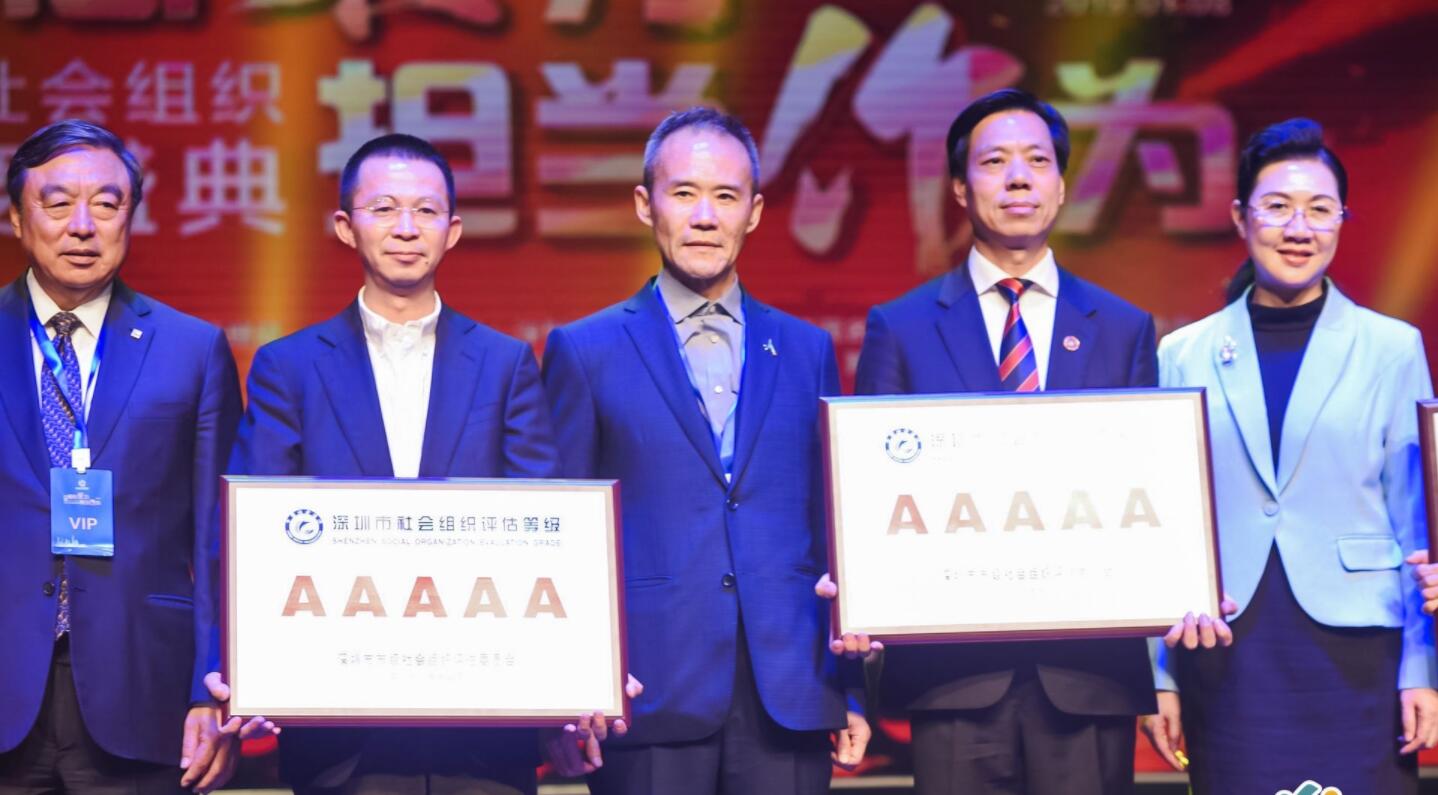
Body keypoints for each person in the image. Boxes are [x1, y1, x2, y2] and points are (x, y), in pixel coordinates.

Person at [231, 133, 632, 795]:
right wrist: (249, 666)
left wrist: (581, 668)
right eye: (384, 209)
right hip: (339, 740)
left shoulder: (505, 364)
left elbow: (548, 534)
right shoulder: (288, 367)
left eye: (426, 211)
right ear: (345, 226)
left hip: (483, 738)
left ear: (453, 231)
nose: (406, 228)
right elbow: (254, 540)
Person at [541, 107, 870, 795]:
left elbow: (832, 527)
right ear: (645, 204)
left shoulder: (806, 348)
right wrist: (568, 691)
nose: (704, 217)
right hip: (647, 692)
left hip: (789, 689)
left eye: (725, 196)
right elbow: (561, 537)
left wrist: (851, 688)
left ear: (754, 212)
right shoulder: (585, 349)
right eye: (684, 193)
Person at [849, 88, 1159, 795]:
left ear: (1061, 184)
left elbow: (1149, 493)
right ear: (961, 188)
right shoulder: (901, 328)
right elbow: (873, 496)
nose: (1018, 178)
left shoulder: (1123, 328)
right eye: (994, 162)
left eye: (1037, 161)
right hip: (954, 680)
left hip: (1089, 677)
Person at [1143, 118, 1438, 793]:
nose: (1299, 228)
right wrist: (1159, 675)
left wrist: (1421, 670)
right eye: (1277, 207)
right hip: (1227, 645)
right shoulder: (1182, 352)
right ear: (1240, 217)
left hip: (1359, 647)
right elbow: (1160, 525)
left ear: (1341, 221)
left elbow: (1417, 525)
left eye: (1319, 209)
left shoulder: (1392, 347)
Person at [0, 120, 246, 793]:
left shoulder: (191, 349)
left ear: (131, 216)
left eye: (106, 204)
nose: (82, 226)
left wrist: (210, 689)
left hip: (144, 689)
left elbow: (220, 541)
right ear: (17, 217)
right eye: (57, 203)